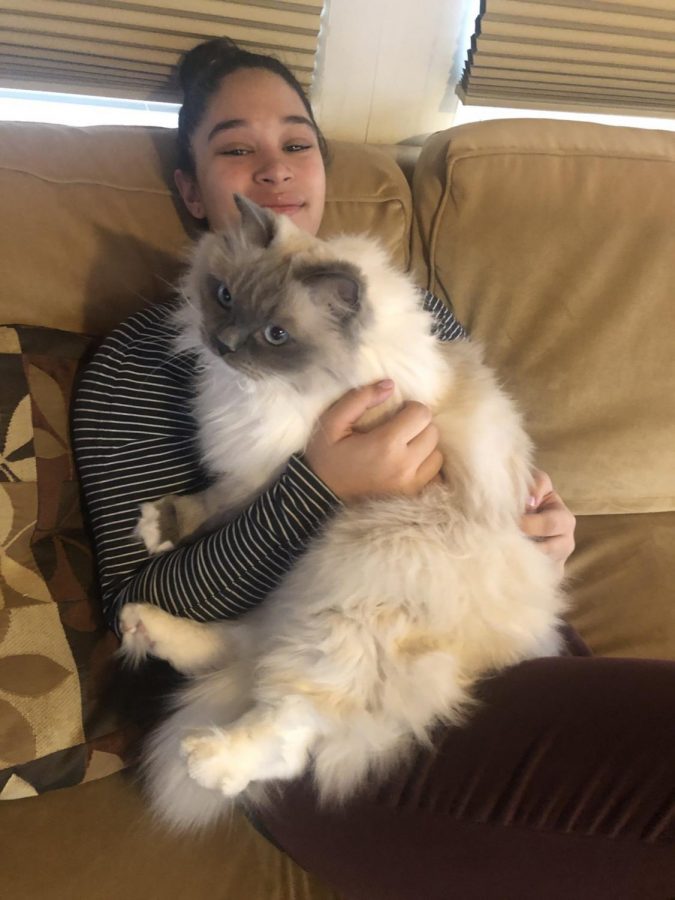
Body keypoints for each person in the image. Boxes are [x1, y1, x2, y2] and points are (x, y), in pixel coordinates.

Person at [73, 38, 675, 900]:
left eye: (297, 141)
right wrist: (320, 488)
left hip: (488, 627)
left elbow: (485, 462)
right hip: (325, 697)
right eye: (236, 147)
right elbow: (141, 604)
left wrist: (539, 528)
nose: (275, 168)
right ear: (190, 189)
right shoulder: (137, 366)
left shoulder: (405, 307)